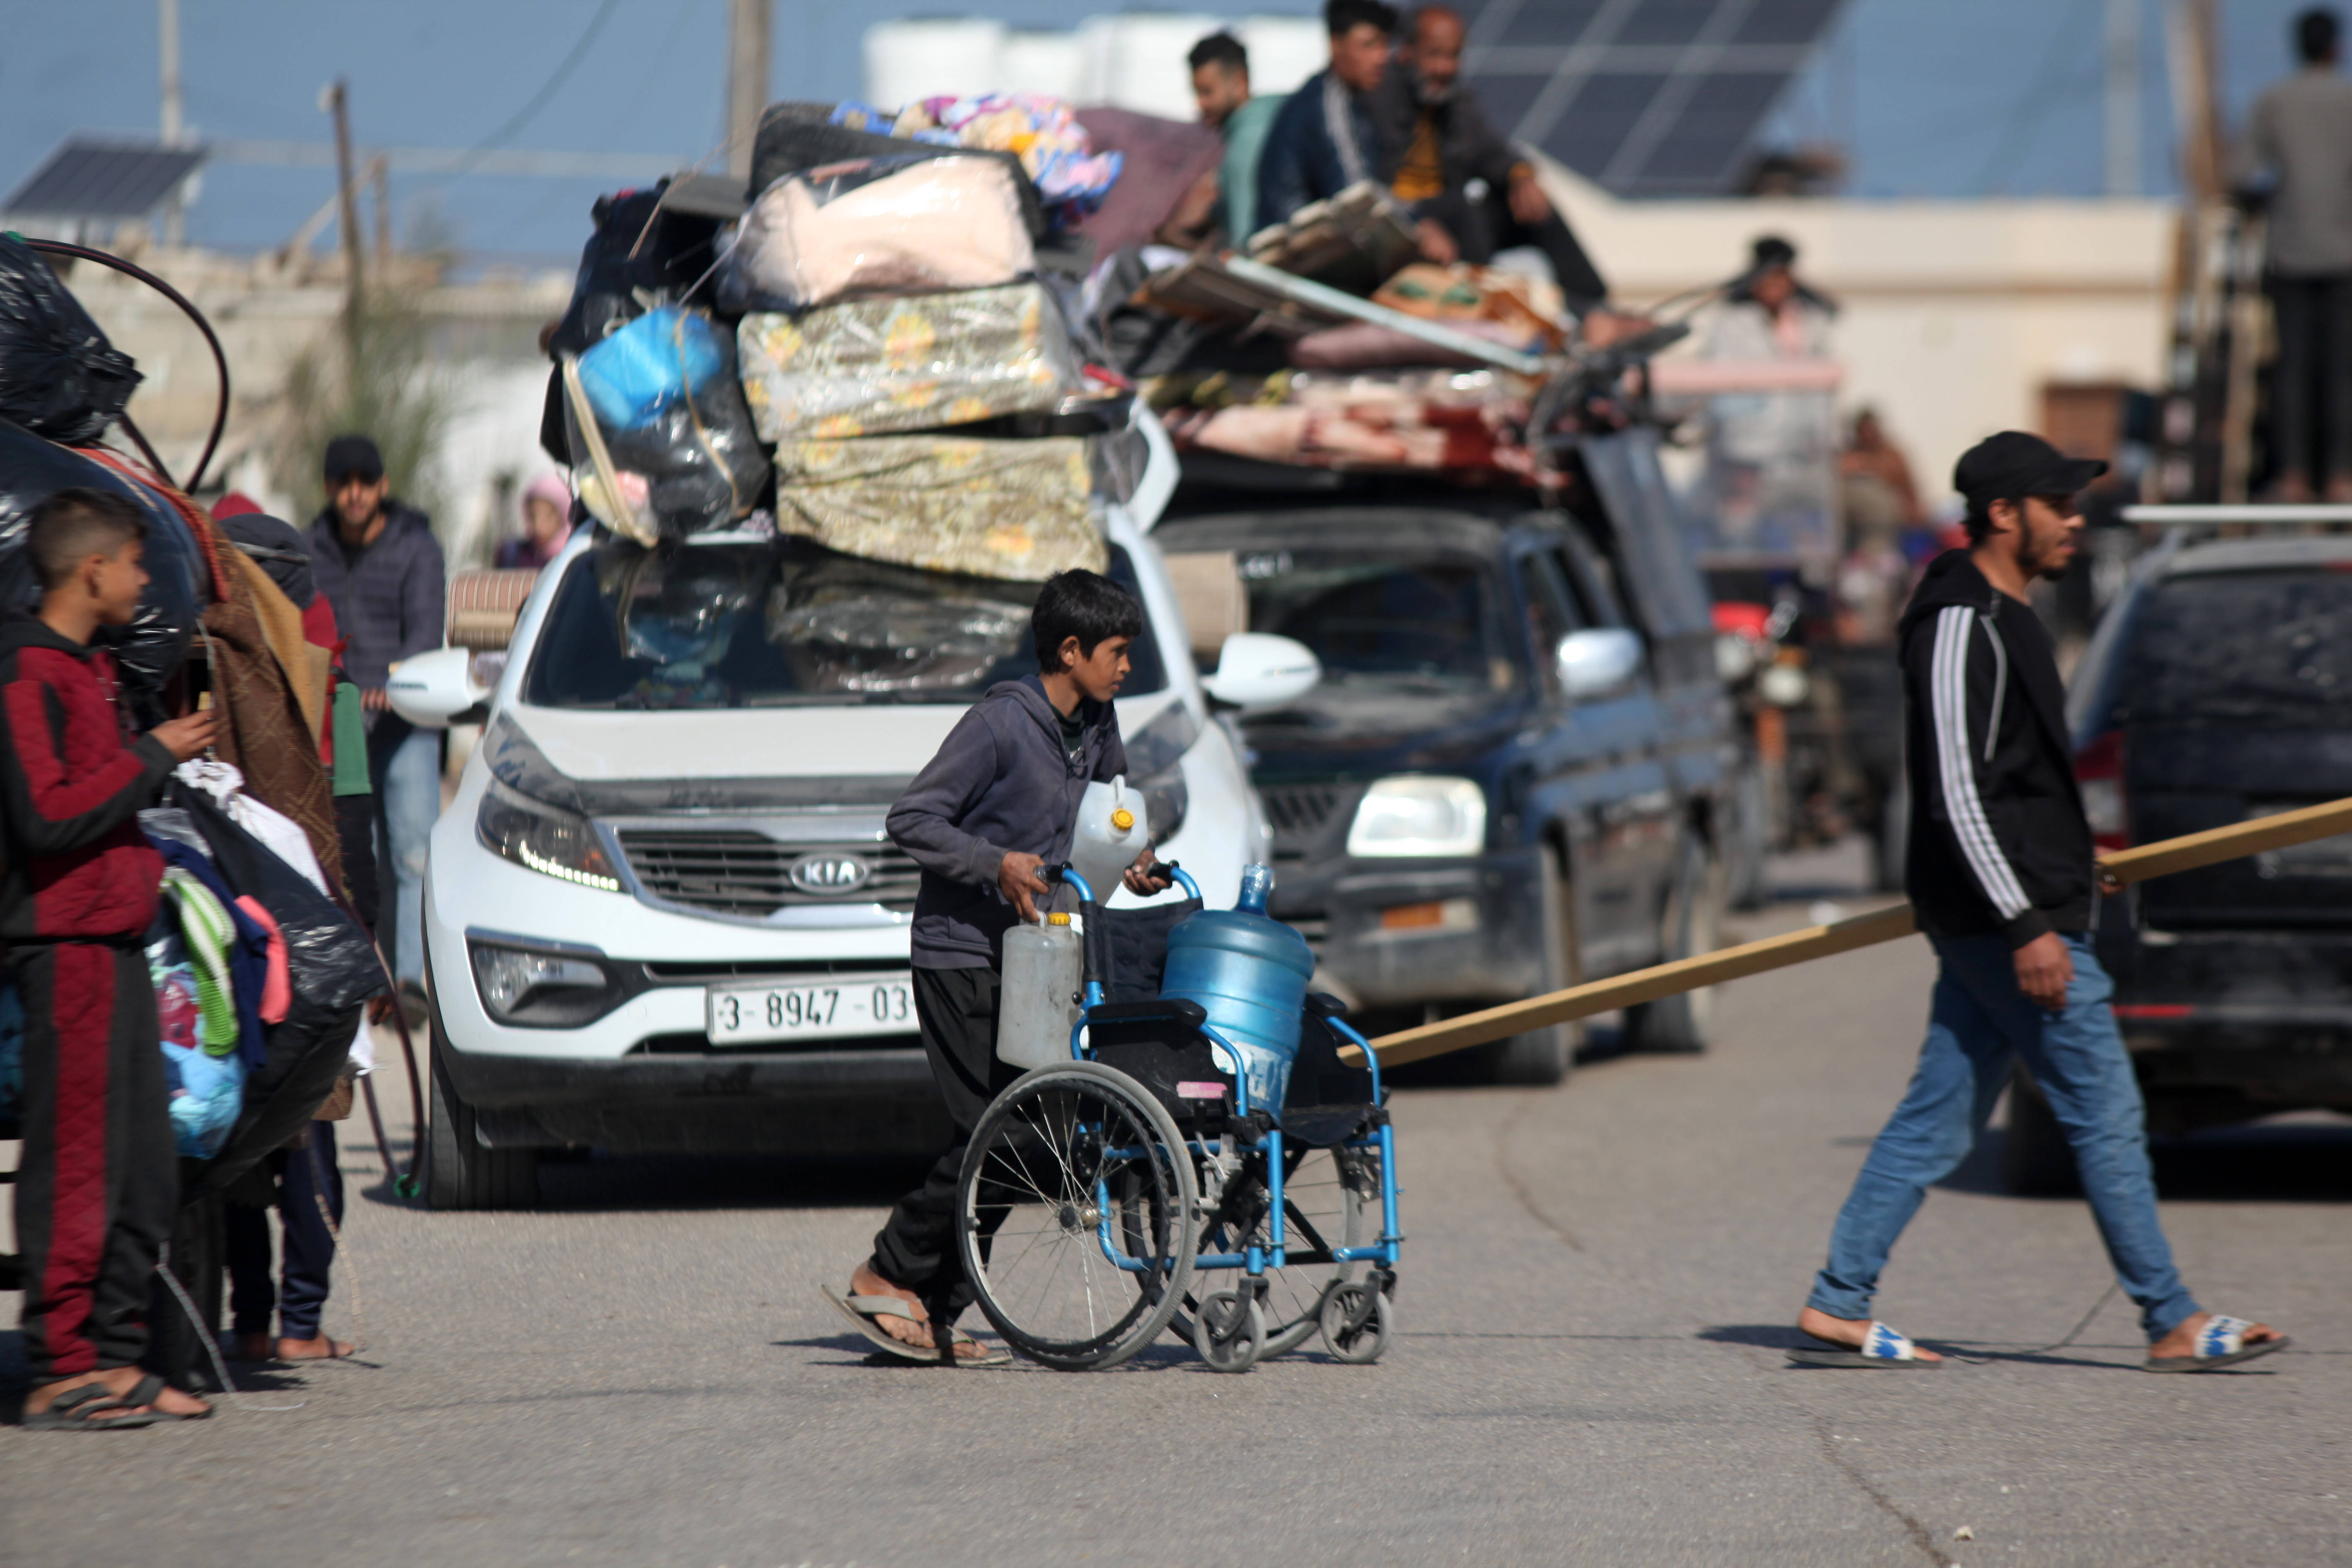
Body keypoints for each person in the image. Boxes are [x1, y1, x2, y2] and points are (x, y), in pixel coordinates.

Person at [1790, 432, 2290, 1374]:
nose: (2077, 522)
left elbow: (2017, 786)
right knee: (2106, 1114)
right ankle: (2172, 1319)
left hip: (2024, 907)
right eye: (2060, 506)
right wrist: (2027, 922)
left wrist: (2078, 857)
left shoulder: (2011, 615)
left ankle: (1838, 1302)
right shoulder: (1957, 621)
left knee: (1938, 1117)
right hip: (2008, 925)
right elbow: (1955, 790)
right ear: (2004, 514)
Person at [832, 570, 1171, 1362]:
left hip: (1041, 959)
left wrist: (1138, 858)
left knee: (1042, 1138)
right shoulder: (999, 723)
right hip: (961, 955)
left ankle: (934, 1307)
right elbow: (911, 817)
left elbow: (1103, 818)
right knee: (1001, 1131)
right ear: (1070, 649)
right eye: (1117, 653)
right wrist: (996, 864)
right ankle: (887, 1271)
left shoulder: (1097, 721)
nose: (1127, 668)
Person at [5, 488, 219, 1429]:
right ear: (92, 570)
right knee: (79, 1163)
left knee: (142, 1167)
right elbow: (47, 815)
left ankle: (122, 1356)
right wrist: (152, 756)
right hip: (66, 949)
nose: (144, 581)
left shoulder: (89, 668)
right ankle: (63, 1363)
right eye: (135, 564)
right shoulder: (27, 675)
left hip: (118, 941)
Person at [304, 434, 444, 1023]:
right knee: (351, 856)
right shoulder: (311, 549)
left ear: (383, 487)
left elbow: (424, 631)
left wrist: (398, 683)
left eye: (366, 481)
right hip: (341, 724)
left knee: (412, 854)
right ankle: (367, 977)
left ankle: (411, 981)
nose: (355, 493)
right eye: (344, 482)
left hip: (406, 719)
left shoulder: (417, 546)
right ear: (331, 489)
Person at [1370, 4, 1609, 309]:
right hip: (1400, 220)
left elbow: (1491, 152)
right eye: (1435, 55)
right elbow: (1362, 183)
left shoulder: (1455, 103)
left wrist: (1521, 176)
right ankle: (1483, 306)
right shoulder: (1374, 99)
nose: (1445, 68)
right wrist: (1412, 220)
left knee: (1532, 204)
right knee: (1461, 206)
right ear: (1406, 52)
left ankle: (1594, 307)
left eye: (1453, 56)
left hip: (1457, 222)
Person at [2246, 8, 2352, 501]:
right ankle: (2340, 476)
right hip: (2346, 256)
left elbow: (2241, 171)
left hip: (2289, 253)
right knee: (2342, 369)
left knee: (2292, 369)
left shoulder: (2273, 101)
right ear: (2336, 47)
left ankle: (2291, 476)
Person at [1257, 0, 1430, 249]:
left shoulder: (1352, 100)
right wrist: (1417, 225)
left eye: (1385, 44)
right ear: (1336, 46)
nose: (1381, 57)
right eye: (1368, 45)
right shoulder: (1327, 105)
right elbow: (1356, 195)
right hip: (1295, 251)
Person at [1182, 31, 1288, 247]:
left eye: (1207, 92)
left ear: (1240, 82)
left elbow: (1247, 242)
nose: (1200, 104)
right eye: (1197, 92)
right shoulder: (1280, 113)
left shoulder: (1245, 144)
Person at [495, 473, 573, 570]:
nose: (538, 526)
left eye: (548, 517)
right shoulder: (512, 554)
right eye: (532, 517)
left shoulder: (572, 555)